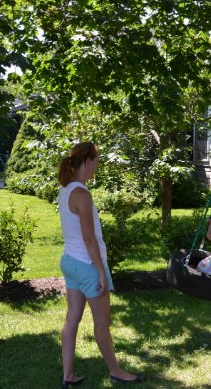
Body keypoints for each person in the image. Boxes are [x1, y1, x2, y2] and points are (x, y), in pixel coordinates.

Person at [57, 142, 142, 387]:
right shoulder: (82, 194)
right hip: (86, 265)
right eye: (96, 161)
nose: (98, 166)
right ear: (87, 162)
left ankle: (68, 376)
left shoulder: (65, 191)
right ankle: (116, 371)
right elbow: (88, 237)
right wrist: (100, 271)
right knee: (102, 324)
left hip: (70, 262)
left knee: (72, 319)